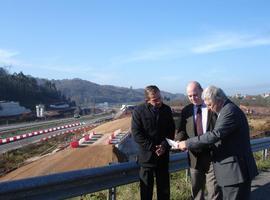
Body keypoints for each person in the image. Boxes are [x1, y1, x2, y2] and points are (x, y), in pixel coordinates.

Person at [177, 85, 258, 200]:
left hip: (235, 172)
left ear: (218, 99)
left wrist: (187, 143)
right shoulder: (226, 109)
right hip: (231, 170)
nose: (209, 108)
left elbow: (215, 135)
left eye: (210, 104)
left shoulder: (229, 111)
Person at [175, 81, 222, 200]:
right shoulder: (186, 110)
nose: (193, 98)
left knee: (214, 191)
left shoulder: (212, 106)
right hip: (194, 156)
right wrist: (178, 141)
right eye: (190, 96)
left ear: (202, 91)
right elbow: (182, 130)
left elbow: (218, 130)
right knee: (197, 192)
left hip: (213, 156)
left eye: (195, 94)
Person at [132, 85, 175, 200]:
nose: (159, 101)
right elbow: (137, 134)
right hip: (146, 159)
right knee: (146, 193)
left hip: (163, 157)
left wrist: (164, 146)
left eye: (160, 98)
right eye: (155, 100)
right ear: (147, 100)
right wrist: (153, 147)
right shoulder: (138, 111)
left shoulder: (166, 110)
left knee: (164, 192)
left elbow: (171, 131)